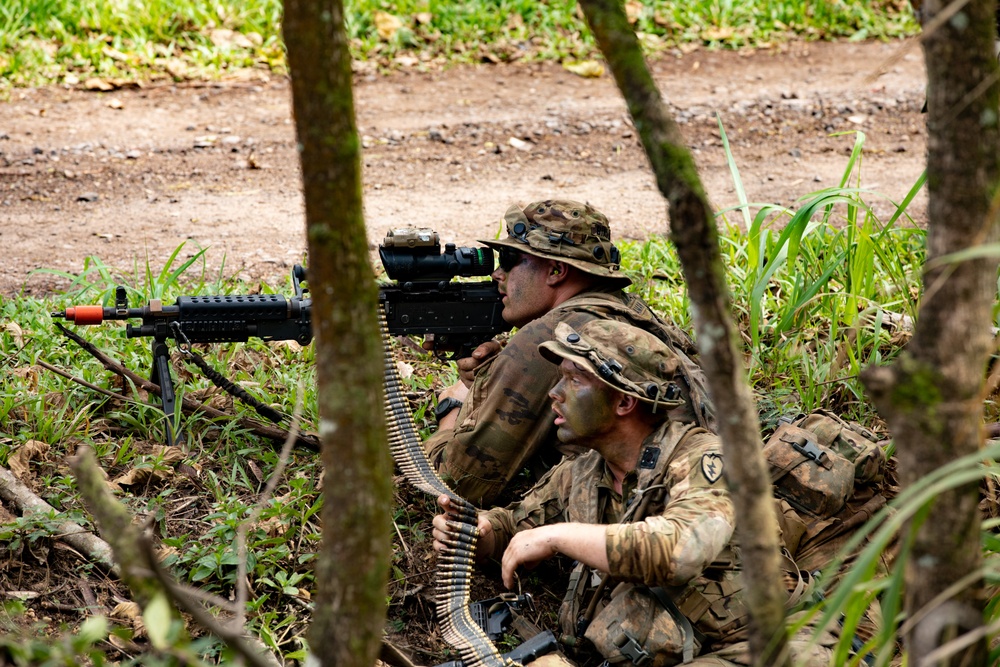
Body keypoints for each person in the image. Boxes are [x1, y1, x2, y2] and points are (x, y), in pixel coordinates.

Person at [431, 320, 835, 667]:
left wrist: (555, 537)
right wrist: (478, 534)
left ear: (624, 401)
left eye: (574, 380)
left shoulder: (707, 459)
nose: (555, 393)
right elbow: (515, 525)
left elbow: (679, 551)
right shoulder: (586, 469)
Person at [423, 199, 714, 506]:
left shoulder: (550, 336)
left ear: (557, 271)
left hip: (636, 518)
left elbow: (456, 484)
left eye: (509, 259)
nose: (497, 273)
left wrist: (453, 406)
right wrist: (494, 376)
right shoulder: (629, 313)